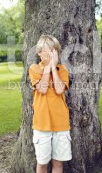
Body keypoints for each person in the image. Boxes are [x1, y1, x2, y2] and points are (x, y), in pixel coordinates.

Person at [29, 35, 72, 173]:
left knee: (58, 164)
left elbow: (60, 89)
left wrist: (53, 68)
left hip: (61, 123)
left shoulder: (62, 69)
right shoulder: (34, 68)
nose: (51, 55)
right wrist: (47, 68)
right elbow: (41, 89)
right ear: (39, 52)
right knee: (42, 164)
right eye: (47, 51)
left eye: (54, 51)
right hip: (42, 124)